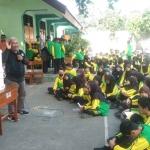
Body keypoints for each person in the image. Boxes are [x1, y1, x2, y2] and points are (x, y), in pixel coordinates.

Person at [2, 37, 30, 121]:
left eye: (16, 43)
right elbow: (3, 60)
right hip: (11, 79)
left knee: (22, 95)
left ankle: (20, 110)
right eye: (13, 43)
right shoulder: (7, 53)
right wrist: (7, 48)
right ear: (10, 44)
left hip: (21, 78)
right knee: (11, 97)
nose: (15, 45)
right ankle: (11, 113)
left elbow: (27, 61)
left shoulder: (20, 52)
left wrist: (23, 59)